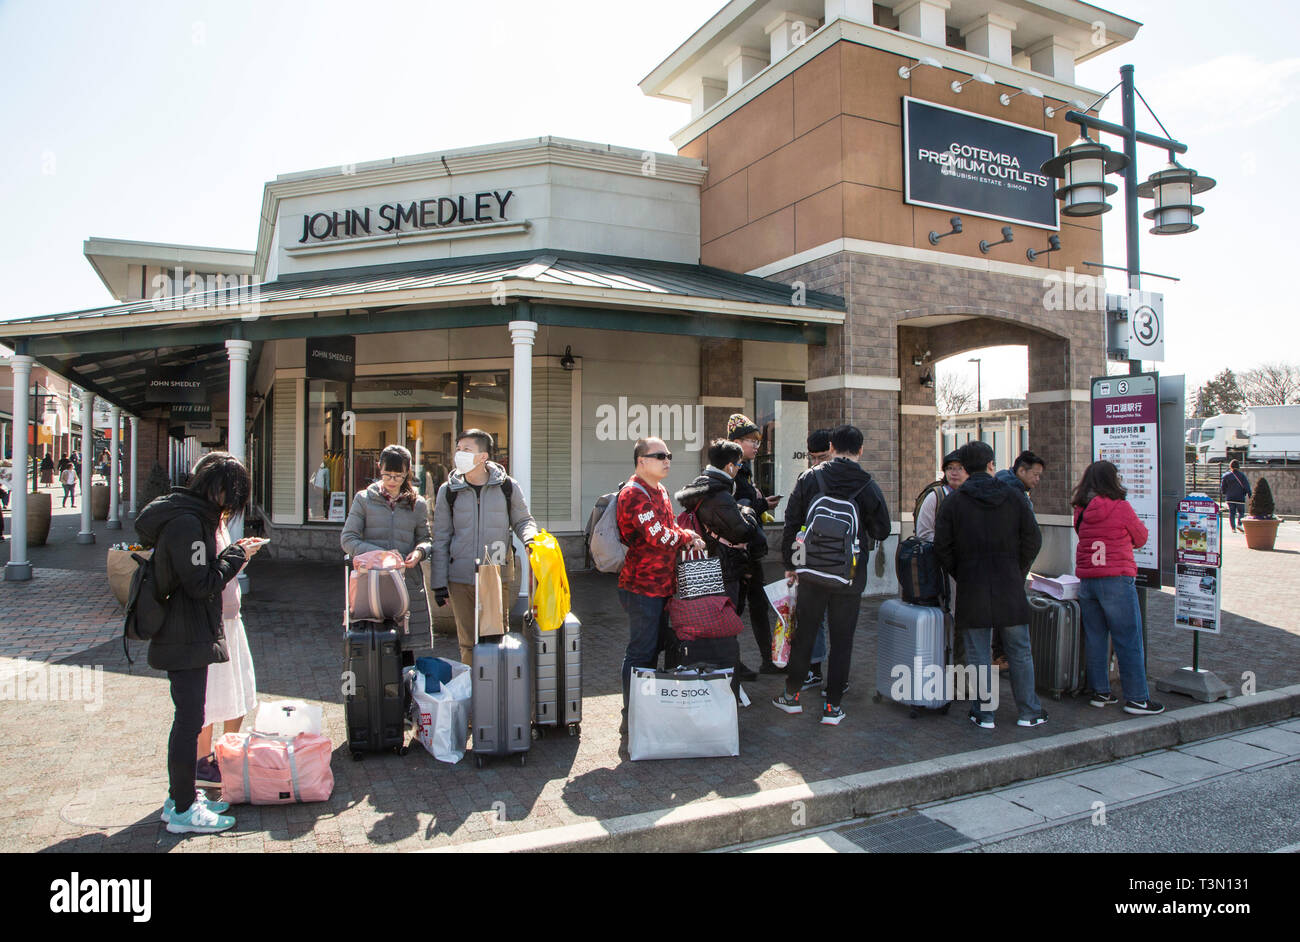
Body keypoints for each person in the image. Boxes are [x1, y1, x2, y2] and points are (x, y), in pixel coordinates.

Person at [134, 452, 261, 834]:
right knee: (189, 721)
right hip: (184, 632)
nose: (233, 504)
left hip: (184, 629)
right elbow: (201, 582)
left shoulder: (187, 515)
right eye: (234, 494)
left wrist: (232, 554)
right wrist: (237, 555)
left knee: (188, 719)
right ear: (220, 489)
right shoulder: (189, 523)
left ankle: (180, 798)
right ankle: (183, 810)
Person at [773, 425, 891, 725]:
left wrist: (793, 563)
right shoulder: (867, 484)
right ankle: (832, 707)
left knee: (805, 633)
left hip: (811, 570)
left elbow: (793, 523)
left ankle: (792, 697)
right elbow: (882, 529)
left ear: (831, 446)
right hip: (849, 575)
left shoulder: (811, 477)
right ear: (860, 450)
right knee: (842, 640)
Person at [935, 441, 1046, 730]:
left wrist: (962, 572)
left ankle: (984, 713)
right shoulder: (1014, 497)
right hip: (1009, 582)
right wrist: (1016, 569)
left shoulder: (954, 502)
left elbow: (942, 547)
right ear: (990, 465)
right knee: (1019, 650)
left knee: (977, 653)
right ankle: (1029, 711)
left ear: (967, 468)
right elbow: (1033, 540)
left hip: (973, 585)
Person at [616, 436, 706, 732]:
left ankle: (647, 709)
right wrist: (687, 537)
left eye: (668, 455)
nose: (667, 460)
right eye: (659, 455)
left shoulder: (662, 490)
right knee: (641, 652)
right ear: (641, 461)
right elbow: (658, 535)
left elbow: (669, 527)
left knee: (654, 650)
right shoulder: (633, 494)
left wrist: (684, 533)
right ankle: (633, 715)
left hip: (663, 586)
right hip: (641, 587)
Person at [429, 429, 537, 665]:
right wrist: (438, 584)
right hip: (460, 578)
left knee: (495, 638)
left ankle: (495, 691)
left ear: (483, 456)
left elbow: (523, 520)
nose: (459, 454)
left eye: (466, 449)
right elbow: (441, 538)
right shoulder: (448, 491)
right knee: (467, 642)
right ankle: (473, 692)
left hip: (495, 574)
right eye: (458, 449)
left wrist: (531, 539)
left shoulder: (507, 487)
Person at [190, 452, 262, 790]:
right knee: (213, 696)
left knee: (238, 691)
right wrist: (238, 555)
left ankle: (226, 753)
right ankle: (203, 762)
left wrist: (240, 555)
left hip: (231, 617)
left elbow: (224, 568)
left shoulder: (216, 521)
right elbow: (206, 576)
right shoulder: (197, 523)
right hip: (212, 623)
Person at [1073, 460, 1164, 715]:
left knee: (1095, 639)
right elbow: (1142, 537)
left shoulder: (1080, 509)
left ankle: (1100, 692)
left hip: (1088, 581)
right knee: (1128, 639)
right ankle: (1137, 698)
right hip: (1116, 580)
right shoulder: (1121, 507)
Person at [341, 444, 434, 644]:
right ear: (379, 468)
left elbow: (426, 539)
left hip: (407, 581)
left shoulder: (417, 504)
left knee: (407, 645)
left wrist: (419, 552)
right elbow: (348, 539)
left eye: (398, 476)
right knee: (374, 642)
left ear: (407, 472)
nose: (392, 481)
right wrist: (382, 556)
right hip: (371, 580)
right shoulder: (364, 499)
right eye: (387, 475)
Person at [728, 413, 783, 679]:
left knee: (759, 606)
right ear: (736, 442)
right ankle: (732, 663)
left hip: (752, 551)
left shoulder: (746, 472)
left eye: (757, 441)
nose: (756, 446)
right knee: (734, 610)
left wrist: (761, 504)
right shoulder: (732, 474)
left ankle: (767, 659)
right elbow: (736, 512)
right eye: (751, 440)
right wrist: (761, 505)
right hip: (739, 554)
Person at [915, 449, 968, 617]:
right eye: (950, 467)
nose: (954, 472)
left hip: (968, 565)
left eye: (960, 468)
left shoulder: (971, 497)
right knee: (948, 611)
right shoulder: (936, 496)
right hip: (940, 566)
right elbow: (924, 534)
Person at [1220, 459, 1252, 533]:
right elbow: (1247, 486)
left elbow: (1223, 487)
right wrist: (1250, 495)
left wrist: (1225, 493)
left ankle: (1233, 528)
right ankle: (1239, 524)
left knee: (1232, 513)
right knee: (1241, 512)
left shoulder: (1226, 476)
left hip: (1230, 497)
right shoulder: (1242, 476)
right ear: (1238, 467)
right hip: (1240, 497)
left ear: (1230, 466)